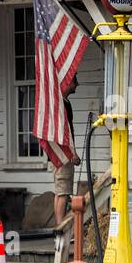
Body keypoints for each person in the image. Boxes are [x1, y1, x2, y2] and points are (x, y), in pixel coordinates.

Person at [52, 81, 79, 227]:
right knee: (63, 193)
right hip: (63, 154)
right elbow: (64, 132)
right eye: (75, 80)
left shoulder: (61, 103)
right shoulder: (62, 104)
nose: (77, 84)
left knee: (59, 192)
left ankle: (58, 227)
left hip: (57, 154)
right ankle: (60, 229)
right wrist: (72, 153)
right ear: (67, 82)